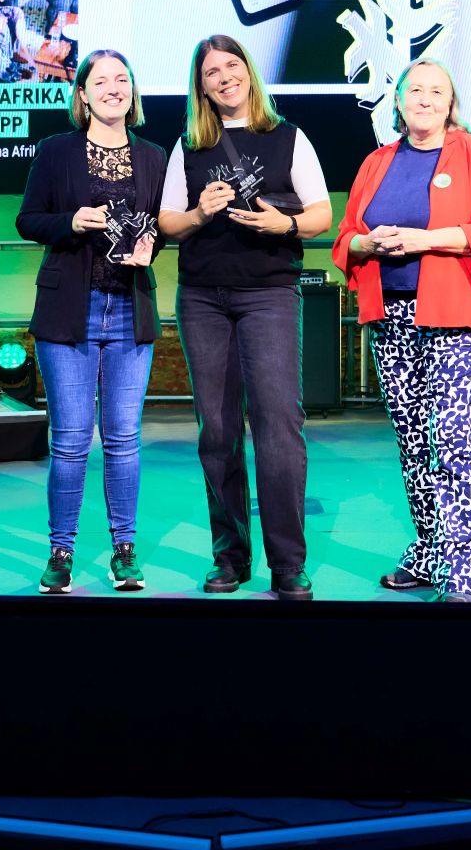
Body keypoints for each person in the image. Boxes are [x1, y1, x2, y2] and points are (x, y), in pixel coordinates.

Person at [159, 33, 332, 600]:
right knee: (218, 431)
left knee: (278, 425)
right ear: (201, 86)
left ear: (249, 72)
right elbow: (167, 222)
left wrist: (287, 225)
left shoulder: (288, 137)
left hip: (269, 294)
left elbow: (323, 213)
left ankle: (288, 563)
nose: (224, 77)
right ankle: (229, 557)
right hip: (203, 299)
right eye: (212, 72)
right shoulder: (188, 146)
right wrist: (198, 213)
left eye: (232, 65)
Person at [332, 59, 471, 601]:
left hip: (457, 315)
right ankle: (430, 551)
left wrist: (422, 240)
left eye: (437, 91)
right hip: (391, 316)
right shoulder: (376, 162)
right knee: (413, 443)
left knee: (452, 438)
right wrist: (369, 243)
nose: (426, 99)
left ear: (451, 103)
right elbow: (346, 237)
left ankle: (468, 570)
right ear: (399, 100)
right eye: (416, 90)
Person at [15, 49, 166, 595]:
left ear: (132, 91)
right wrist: (71, 221)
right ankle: (61, 552)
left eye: (121, 79)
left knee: (124, 440)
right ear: (81, 94)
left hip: (130, 308)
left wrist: (152, 245)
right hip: (68, 312)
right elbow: (28, 219)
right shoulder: (57, 151)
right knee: (71, 442)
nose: (112, 89)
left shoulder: (153, 156)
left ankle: (124, 551)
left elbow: (159, 225)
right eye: (100, 81)